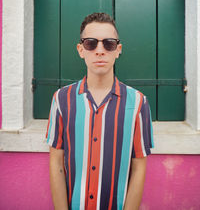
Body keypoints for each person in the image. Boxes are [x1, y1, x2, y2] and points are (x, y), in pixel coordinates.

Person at [46, 12, 154, 210]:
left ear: (118, 50)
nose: (100, 50)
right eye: (91, 43)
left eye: (109, 44)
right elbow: (57, 164)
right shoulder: (61, 99)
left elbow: (139, 168)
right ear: (80, 49)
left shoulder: (138, 102)